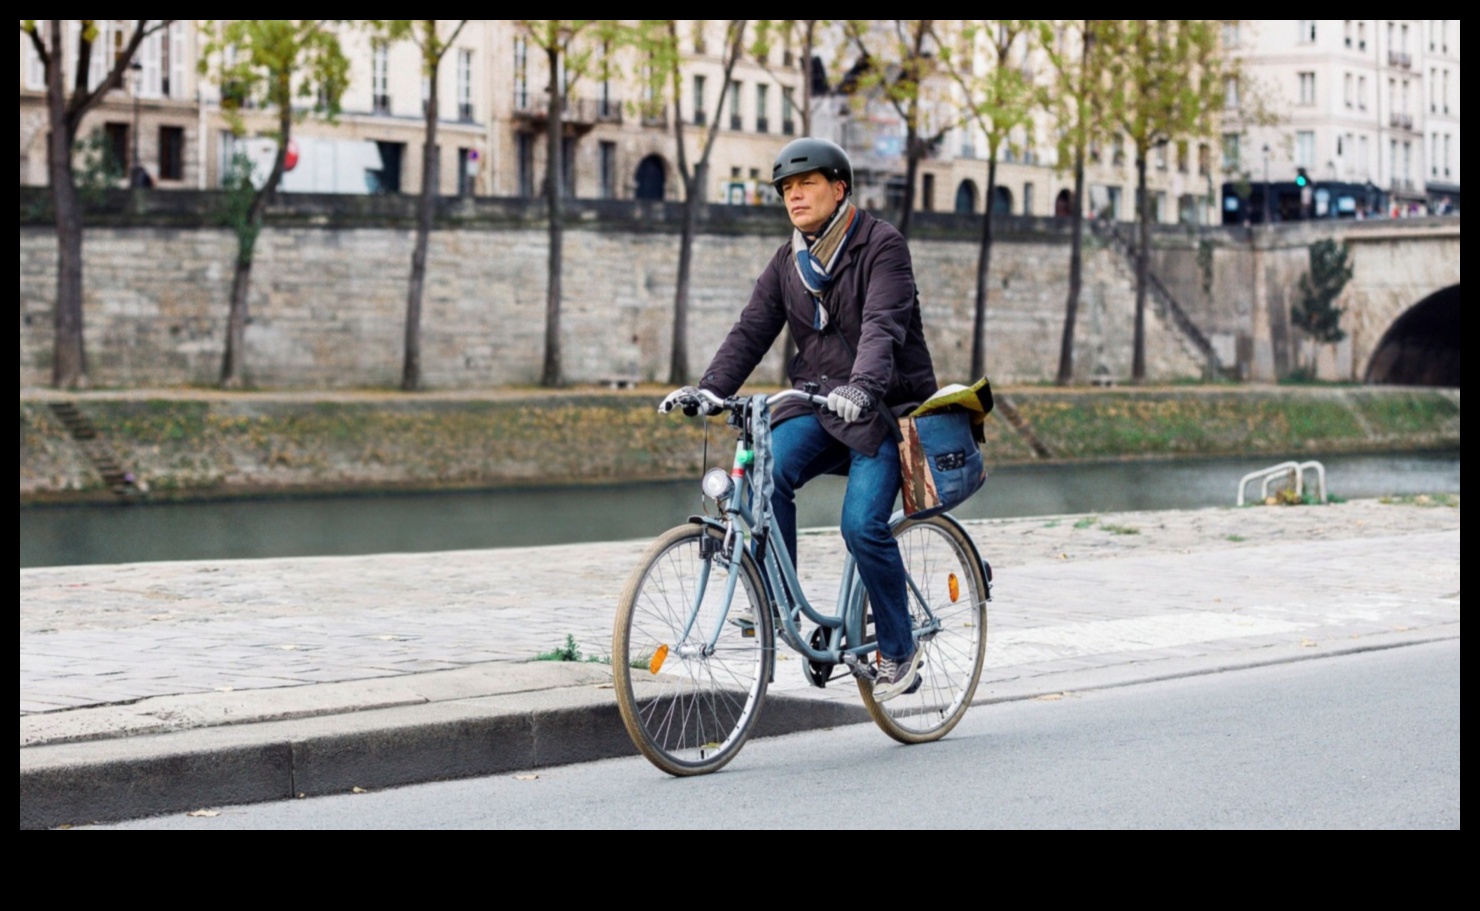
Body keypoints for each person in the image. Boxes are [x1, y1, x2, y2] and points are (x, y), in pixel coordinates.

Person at [659, 137, 938, 701]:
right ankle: (776, 602)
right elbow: (752, 329)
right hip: (823, 405)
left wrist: (863, 388)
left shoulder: (882, 245)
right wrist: (710, 391)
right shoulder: (788, 261)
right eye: (786, 188)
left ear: (839, 188)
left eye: (807, 184)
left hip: (884, 411)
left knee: (861, 526)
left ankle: (899, 649)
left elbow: (883, 325)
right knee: (767, 469)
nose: (795, 196)